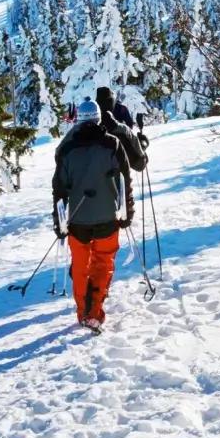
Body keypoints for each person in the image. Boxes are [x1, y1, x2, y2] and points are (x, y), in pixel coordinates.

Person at [52, 97, 145, 331]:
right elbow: (125, 182)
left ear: (78, 120)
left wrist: (59, 222)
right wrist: (127, 212)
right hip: (108, 217)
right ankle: (94, 311)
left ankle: (83, 312)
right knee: (103, 263)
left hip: (77, 221)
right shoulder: (113, 144)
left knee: (80, 266)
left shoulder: (67, 148)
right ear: (98, 118)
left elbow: (59, 189)